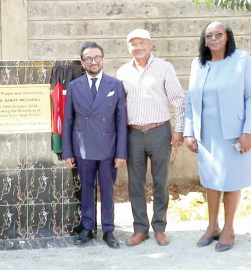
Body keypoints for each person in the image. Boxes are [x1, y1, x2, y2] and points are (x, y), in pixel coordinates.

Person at [184, 22, 251, 252]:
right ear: (204, 40)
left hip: (235, 133)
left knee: (231, 180)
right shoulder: (198, 64)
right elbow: (190, 99)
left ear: (228, 37)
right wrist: (189, 131)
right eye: (209, 35)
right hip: (206, 133)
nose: (214, 39)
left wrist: (249, 132)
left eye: (219, 34)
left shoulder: (241, 59)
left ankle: (228, 228)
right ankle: (211, 226)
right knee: (211, 181)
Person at [117, 29, 185, 246]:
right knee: (135, 183)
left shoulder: (165, 67)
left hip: (159, 131)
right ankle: (140, 229)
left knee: (160, 180)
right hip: (133, 133)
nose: (138, 47)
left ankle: (160, 228)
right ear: (128, 47)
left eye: (142, 42)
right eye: (133, 44)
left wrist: (179, 130)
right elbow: (120, 107)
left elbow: (178, 100)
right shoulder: (122, 72)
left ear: (150, 44)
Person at [62, 42, 127, 249]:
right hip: (83, 148)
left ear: (103, 59)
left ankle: (108, 230)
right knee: (86, 190)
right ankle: (87, 228)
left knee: (107, 189)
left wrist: (121, 152)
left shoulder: (115, 85)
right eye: (88, 59)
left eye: (97, 57)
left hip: (108, 148)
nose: (93, 62)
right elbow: (68, 121)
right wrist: (68, 152)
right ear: (82, 63)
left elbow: (121, 121)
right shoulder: (74, 86)